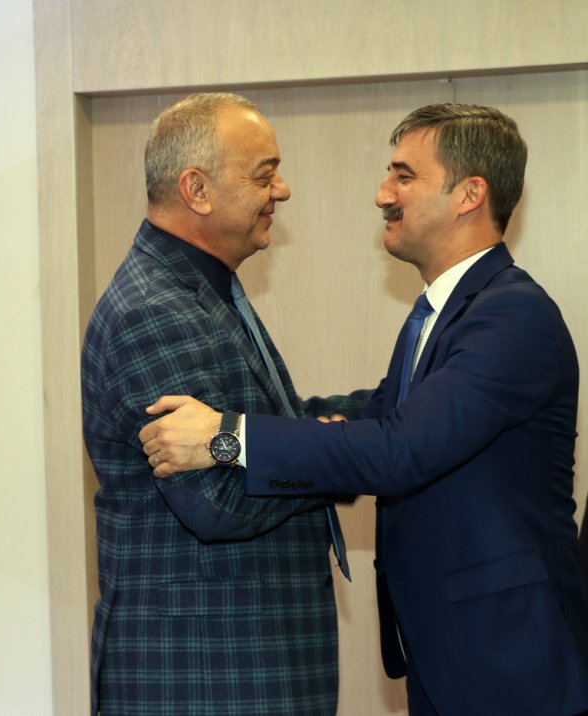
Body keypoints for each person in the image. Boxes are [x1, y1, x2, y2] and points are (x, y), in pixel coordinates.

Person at [139, 103, 588, 715]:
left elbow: (398, 450)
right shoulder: (440, 312)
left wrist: (227, 437)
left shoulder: (514, 316)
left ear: (469, 194)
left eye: (404, 176)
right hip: (451, 653)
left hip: (509, 662)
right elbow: (377, 420)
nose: (383, 194)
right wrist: (286, 422)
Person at [81, 93, 363, 715]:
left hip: (236, 663)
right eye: (264, 174)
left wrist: (385, 409)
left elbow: (260, 427)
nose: (282, 190)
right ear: (197, 190)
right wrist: (349, 452)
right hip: (205, 676)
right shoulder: (154, 310)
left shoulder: (196, 288)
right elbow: (217, 499)